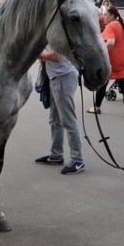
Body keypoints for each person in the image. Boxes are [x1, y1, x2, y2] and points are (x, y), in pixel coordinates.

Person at [34, 46, 84, 175]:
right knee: (55, 120)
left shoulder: (60, 35)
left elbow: (56, 56)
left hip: (63, 77)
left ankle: (78, 160)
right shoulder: (52, 32)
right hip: (55, 77)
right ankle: (56, 155)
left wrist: (38, 52)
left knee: (68, 120)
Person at [89, 7, 124, 114]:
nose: (104, 17)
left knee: (103, 83)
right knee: (123, 84)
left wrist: (100, 52)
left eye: (106, 15)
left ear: (112, 16)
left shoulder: (110, 26)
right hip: (122, 58)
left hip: (111, 60)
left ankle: (97, 107)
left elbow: (110, 42)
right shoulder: (121, 25)